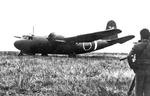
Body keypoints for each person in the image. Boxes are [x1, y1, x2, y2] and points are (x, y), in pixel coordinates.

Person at [127, 28, 150, 96]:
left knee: (138, 93)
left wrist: (133, 67)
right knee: (148, 93)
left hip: (139, 71)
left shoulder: (137, 46)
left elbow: (129, 57)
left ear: (141, 36)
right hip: (149, 71)